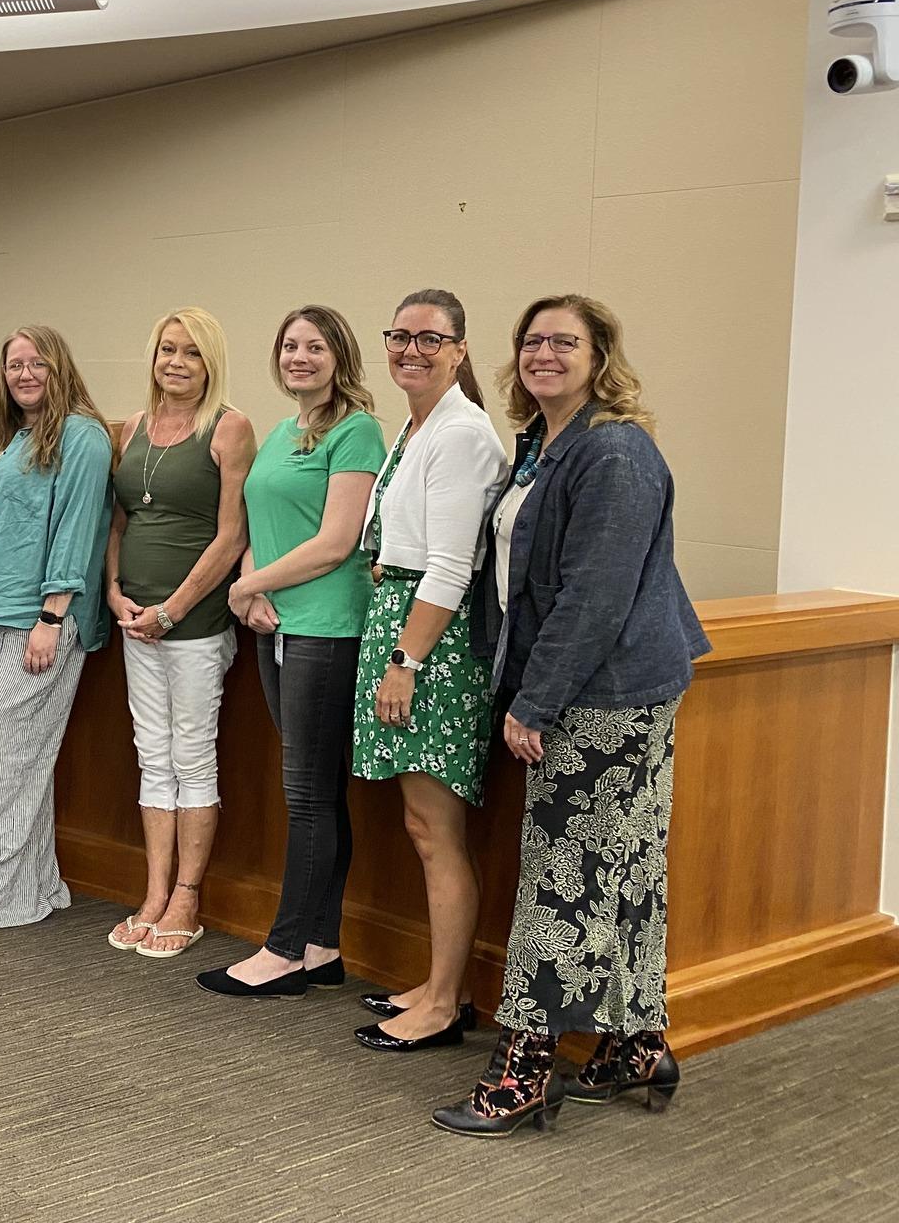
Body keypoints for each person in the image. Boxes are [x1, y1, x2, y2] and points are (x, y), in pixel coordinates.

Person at [434, 295, 709, 1138]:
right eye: (532, 341)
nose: (543, 353)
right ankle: (633, 1044)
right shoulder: (542, 445)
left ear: (600, 357)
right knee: (618, 873)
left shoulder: (616, 452)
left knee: (561, 883)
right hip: (591, 689)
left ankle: (523, 1072)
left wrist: (535, 700)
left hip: (605, 698)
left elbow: (593, 595)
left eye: (565, 341)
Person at [204, 306, 385, 996]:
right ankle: (319, 946)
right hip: (274, 622)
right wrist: (251, 588)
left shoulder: (357, 431)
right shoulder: (282, 431)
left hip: (327, 627)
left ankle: (281, 952)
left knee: (307, 795)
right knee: (318, 795)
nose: (299, 357)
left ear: (340, 355)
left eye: (314, 346)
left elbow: (337, 542)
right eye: (288, 346)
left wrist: (249, 582)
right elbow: (261, 520)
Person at [348, 289, 509, 1050]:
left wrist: (406, 659)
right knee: (421, 826)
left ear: (459, 349)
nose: (410, 349)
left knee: (434, 827)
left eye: (429, 338)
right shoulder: (417, 427)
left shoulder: (462, 434)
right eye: (400, 336)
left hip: (432, 643)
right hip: (403, 624)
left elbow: (450, 564)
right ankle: (441, 984)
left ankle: (446, 1005)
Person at [0, 325, 112, 933]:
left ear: (60, 369)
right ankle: (36, 885)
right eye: (14, 365)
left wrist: (52, 617)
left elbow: (77, 529)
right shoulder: (9, 437)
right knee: (21, 756)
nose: (25, 374)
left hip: (42, 620)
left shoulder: (81, 436)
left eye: (38, 364)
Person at [103, 308, 254, 958]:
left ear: (210, 362)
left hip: (193, 626)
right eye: (167, 349)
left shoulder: (230, 428)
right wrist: (113, 589)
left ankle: (187, 897)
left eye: (192, 353)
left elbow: (232, 535)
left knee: (191, 756)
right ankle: (154, 892)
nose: (177, 362)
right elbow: (119, 524)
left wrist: (172, 609)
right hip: (135, 623)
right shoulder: (129, 428)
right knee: (151, 754)